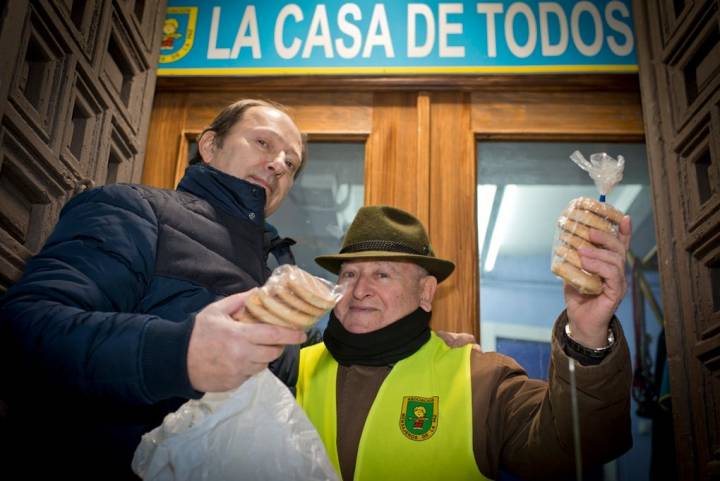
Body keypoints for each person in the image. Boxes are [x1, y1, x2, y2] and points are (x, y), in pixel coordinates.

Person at [0, 99, 310, 479]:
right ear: (210, 146)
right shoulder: (134, 210)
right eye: (263, 143)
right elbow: (20, 332)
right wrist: (176, 353)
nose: (278, 163)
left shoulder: (275, 271)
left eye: (291, 163)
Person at [295, 205, 633, 481]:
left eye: (382, 274)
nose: (358, 290)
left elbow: (573, 445)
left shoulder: (481, 379)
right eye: (349, 274)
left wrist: (587, 333)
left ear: (426, 292)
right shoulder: (288, 367)